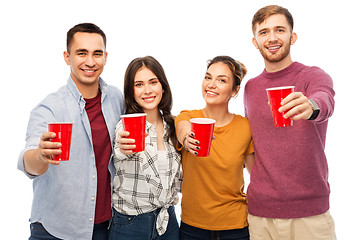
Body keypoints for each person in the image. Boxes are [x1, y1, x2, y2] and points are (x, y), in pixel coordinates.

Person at [17, 23, 124, 240]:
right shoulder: (49, 108)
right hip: (54, 229)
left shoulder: (116, 98)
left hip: (106, 226)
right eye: (81, 53)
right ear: (67, 57)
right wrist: (40, 154)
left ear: (106, 57)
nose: (90, 62)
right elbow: (28, 162)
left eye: (97, 53)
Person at [244, 5, 336, 240]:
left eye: (280, 30)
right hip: (260, 214)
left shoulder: (313, 76)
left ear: (292, 37)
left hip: (310, 215)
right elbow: (251, 142)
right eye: (263, 32)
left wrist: (310, 107)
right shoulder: (251, 87)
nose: (272, 38)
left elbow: (324, 101)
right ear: (255, 41)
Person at [176, 56, 254, 240]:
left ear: (235, 90)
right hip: (192, 228)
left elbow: (257, 176)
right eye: (208, 77)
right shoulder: (187, 117)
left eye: (221, 80)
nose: (211, 84)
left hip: (236, 227)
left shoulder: (245, 127)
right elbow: (182, 128)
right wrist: (188, 139)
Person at [109, 56, 181, 240]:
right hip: (130, 224)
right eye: (139, 84)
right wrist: (123, 149)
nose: (147, 90)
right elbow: (119, 151)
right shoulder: (125, 127)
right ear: (131, 91)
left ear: (163, 86)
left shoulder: (173, 125)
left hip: (168, 221)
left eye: (153, 82)